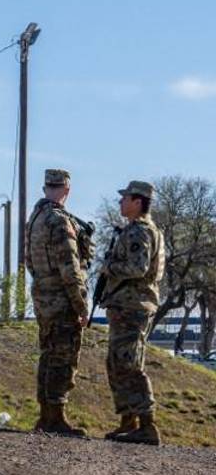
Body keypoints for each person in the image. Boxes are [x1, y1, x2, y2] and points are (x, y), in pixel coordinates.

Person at [24, 168, 91, 437]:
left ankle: (45, 415)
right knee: (63, 357)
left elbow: (29, 261)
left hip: (42, 294)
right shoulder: (60, 221)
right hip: (61, 299)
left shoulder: (35, 218)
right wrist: (81, 304)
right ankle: (56, 417)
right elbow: (70, 269)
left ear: (45, 188)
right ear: (67, 190)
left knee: (48, 354)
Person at [98, 180, 165, 446]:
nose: (120, 202)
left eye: (125, 198)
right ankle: (129, 421)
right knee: (117, 362)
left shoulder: (140, 232)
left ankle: (147, 425)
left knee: (129, 364)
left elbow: (138, 268)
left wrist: (109, 267)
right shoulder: (139, 230)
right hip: (127, 305)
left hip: (133, 306)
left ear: (138, 202)